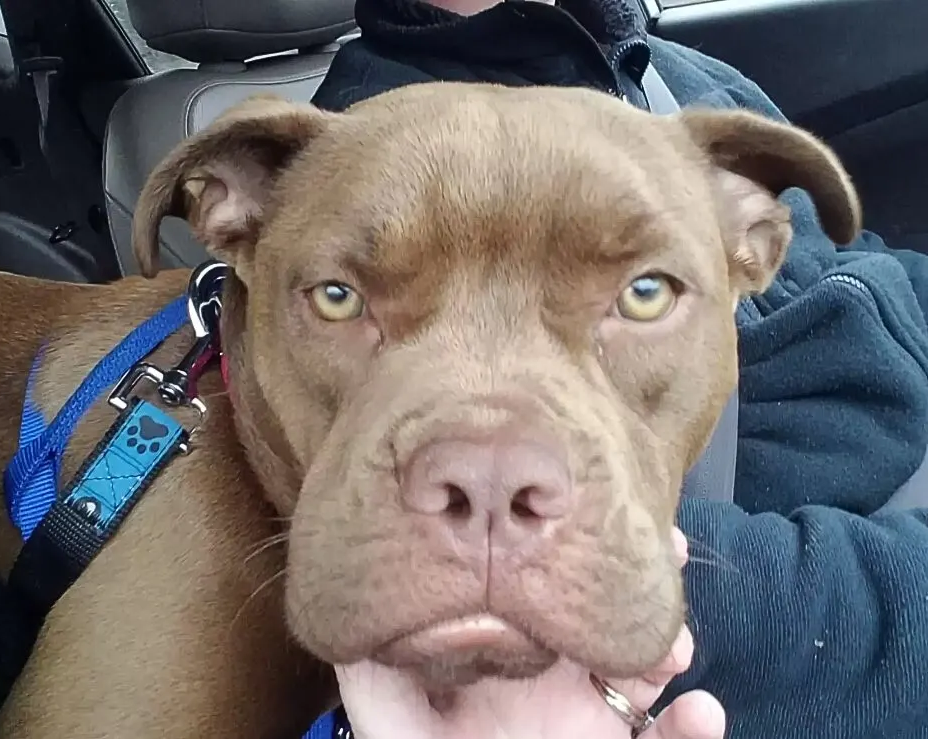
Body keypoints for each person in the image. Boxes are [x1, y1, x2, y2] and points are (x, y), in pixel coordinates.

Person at [310, 0, 928, 737]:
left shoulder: (665, 68)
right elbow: (652, 563)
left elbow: (870, 268)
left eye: (644, 291)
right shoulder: (375, 164)